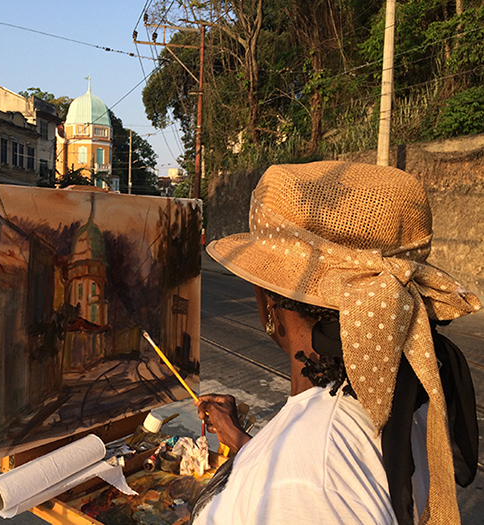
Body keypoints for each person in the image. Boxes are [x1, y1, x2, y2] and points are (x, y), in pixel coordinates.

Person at [192, 161, 480, 524]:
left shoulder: (307, 480)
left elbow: (309, 484)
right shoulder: (402, 391)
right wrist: (245, 444)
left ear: (268, 301)